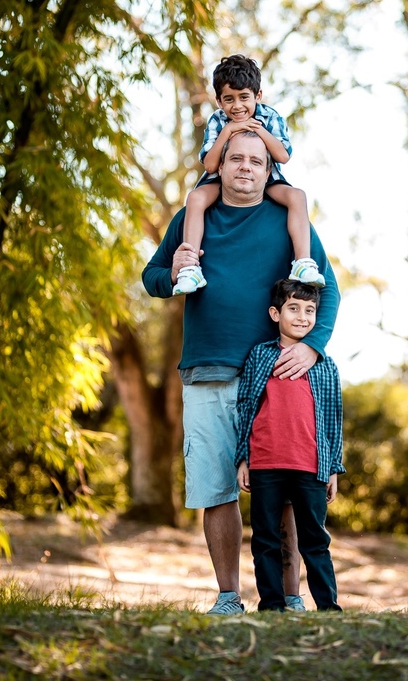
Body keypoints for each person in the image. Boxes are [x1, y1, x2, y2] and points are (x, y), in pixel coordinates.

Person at [142, 130, 341, 615]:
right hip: (205, 371)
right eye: (236, 159)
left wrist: (312, 347)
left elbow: (327, 291)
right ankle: (228, 596)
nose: (246, 167)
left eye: (256, 160)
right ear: (221, 165)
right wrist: (176, 271)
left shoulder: (288, 221)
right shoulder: (194, 218)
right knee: (217, 487)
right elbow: (152, 278)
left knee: (289, 493)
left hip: (276, 380)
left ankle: (290, 598)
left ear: (267, 167)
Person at [172, 54, 325, 295]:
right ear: (219, 101)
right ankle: (190, 268)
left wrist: (259, 130)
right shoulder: (217, 121)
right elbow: (211, 166)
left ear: (258, 96)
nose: (237, 106)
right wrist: (229, 130)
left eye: (244, 97)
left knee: (297, 196)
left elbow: (283, 156)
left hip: (267, 179)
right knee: (195, 199)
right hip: (220, 180)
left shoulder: (270, 117)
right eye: (229, 99)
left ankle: (302, 262)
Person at [236, 279, 344, 612]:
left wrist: (334, 468)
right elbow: (246, 406)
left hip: (310, 464)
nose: (302, 316)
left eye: (310, 310)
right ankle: (271, 606)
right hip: (266, 462)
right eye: (293, 308)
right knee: (265, 538)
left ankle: (328, 608)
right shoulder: (260, 356)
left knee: (315, 540)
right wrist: (244, 459)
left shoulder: (325, 365)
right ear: (275, 313)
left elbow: (333, 420)